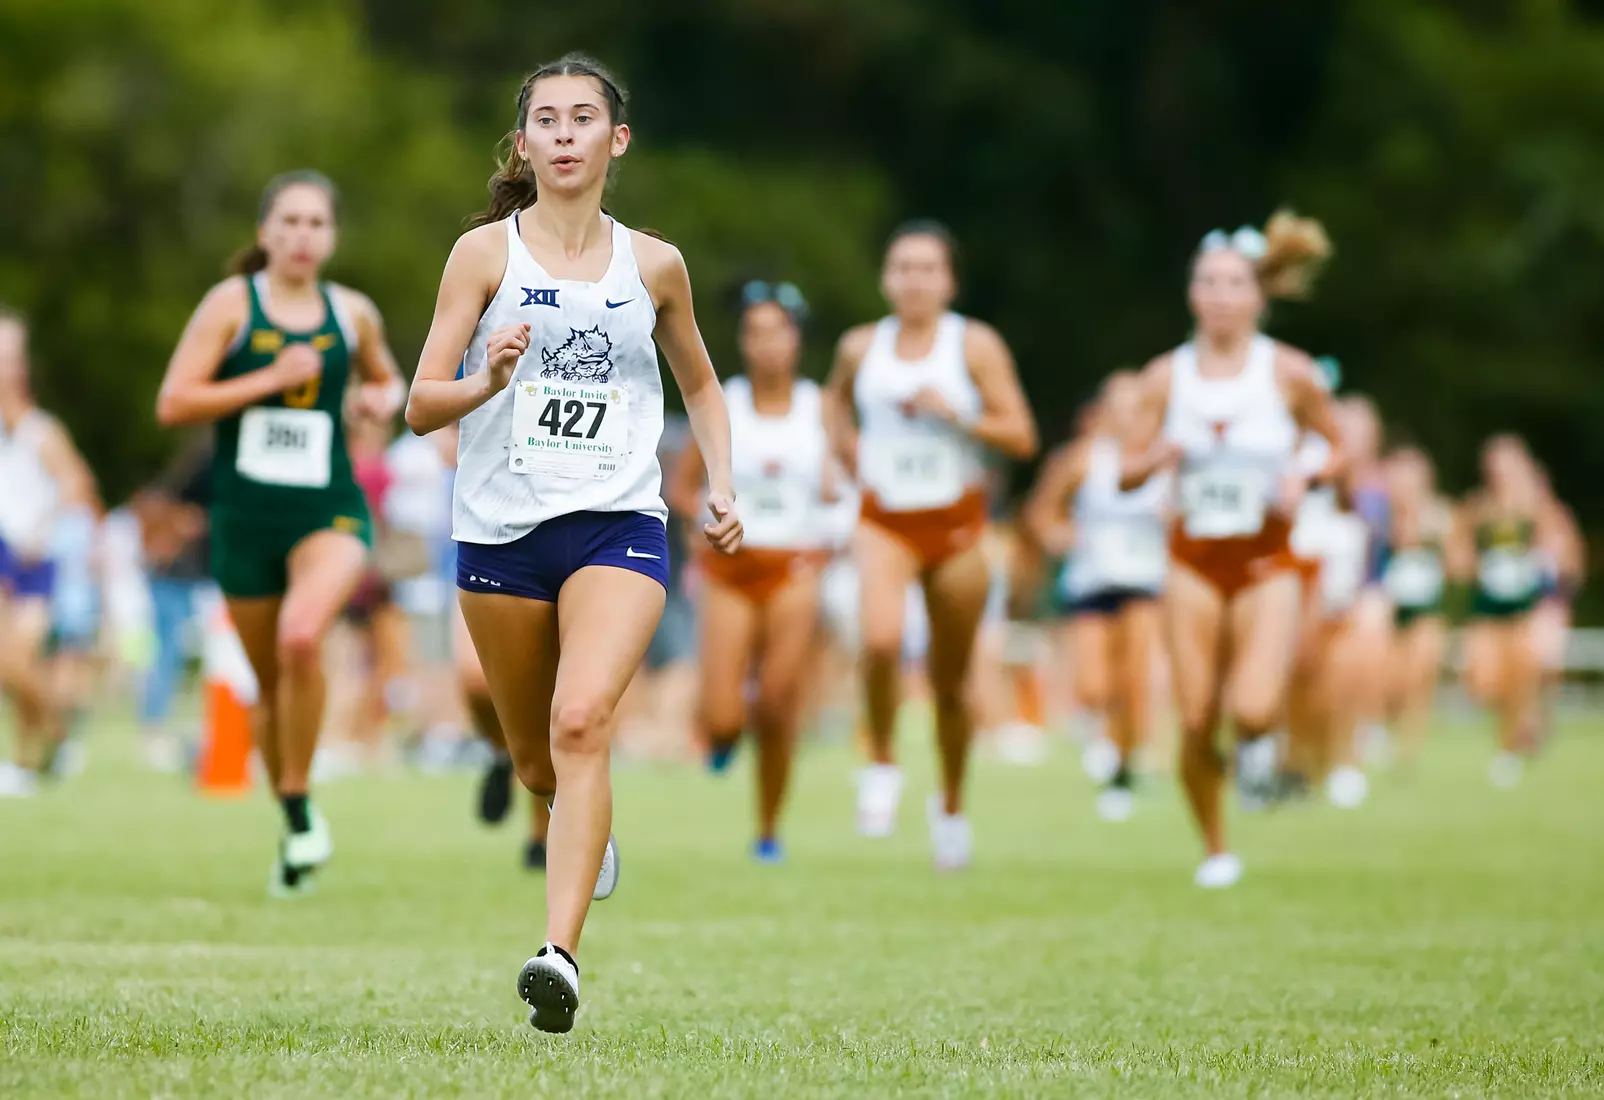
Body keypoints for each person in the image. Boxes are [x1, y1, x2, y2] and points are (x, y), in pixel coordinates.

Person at [403, 54, 741, 1034]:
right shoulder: (481, 257)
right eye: (543, 119)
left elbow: (704, 388)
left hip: (617, 519)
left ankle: (557, 955)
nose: (561, 133)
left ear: (613, 140)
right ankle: (574, 819)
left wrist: (722, 484)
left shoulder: (655, 265)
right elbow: (423, 404)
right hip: (500, 527)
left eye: (580, 117)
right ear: (522, 143)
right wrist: (486, 379)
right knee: (535, 757)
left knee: (583, 715)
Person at [155, 170, 405, 894]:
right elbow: (175, 401)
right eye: (289, 223)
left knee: (303, 635)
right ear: (265, 233)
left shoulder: (351, 312)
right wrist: (268, 379)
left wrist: (371, 399)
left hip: (327, 510)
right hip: (244, 521)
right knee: (269, 686)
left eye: (316, 224)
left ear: (332, 236)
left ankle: (298, 805)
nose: (302, 236)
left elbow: (388, 383)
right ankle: (297, 816)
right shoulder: (232, 305)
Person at [1123, 213, 1342, 888]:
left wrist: (1303, 474)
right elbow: (1126, 471)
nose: (1220, 295)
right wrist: (1159, 456)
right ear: (1192, 293)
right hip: (1191, 557)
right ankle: (1216, 847)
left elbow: (1335, 448)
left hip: (1266, 558)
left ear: (1259, 295)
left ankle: (1258, 750)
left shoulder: (1291, 373)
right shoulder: (1166, 376)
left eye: (1233, 283)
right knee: (1193, 718)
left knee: (1249, 707)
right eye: (1207, 282)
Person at [824, 220, 1037, 869]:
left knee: (951, 684)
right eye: (902, 268)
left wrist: (960, 414)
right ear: (886, 277)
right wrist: (852, 456)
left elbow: (1021, 435)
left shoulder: (972, 345)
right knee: (882, 640)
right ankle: (882, 763)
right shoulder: (863, 346)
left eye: (927, 269)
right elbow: (832, 406)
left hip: (957, 525)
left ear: (949, 280)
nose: (913, 281)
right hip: (884, 520)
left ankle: (949, 801)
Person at [668, 279, 831, 862]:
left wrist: (834, 526)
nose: (765, 345)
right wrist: (710, 514)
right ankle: (720, 736)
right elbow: (682, 488)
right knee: (723, 716)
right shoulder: (724, 402)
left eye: (777, 333)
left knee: (780, 702)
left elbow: (854, 483)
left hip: (794, 566)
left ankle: (768, 828)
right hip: (730, 569)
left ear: (796, 340)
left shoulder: (822, 408)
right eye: (754, 333)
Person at [1025, 371, 1169, 821]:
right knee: (1093, 684)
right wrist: (1059, 537)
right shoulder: (1084, 460)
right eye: (1119, 407)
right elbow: (1042, 512)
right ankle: (1103, 738)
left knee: (1134, 679)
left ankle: (1122, 766)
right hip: (1092, 581)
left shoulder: (1164, 459)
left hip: (1146, 581)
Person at [0, 307, 97, 797]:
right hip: (1, 554)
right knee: (5, 664)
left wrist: (44, 528)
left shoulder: (41, 430)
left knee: (17, 660)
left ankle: (44, 743)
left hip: (34, 559)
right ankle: (41, 747)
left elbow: (77, 483)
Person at [1450, 435, 1562, 787]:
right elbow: (1459, 553)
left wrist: (1551, 601)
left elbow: (1557, 550)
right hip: (1486, 608)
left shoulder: (1537, 507)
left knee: (1522, 677)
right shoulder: (1477, 507)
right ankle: (1523, 726)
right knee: (1483, 680)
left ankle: (1511, 746)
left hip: (1525, 609)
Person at [1380, 445, 1452, 771]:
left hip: (1427, 610)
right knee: (1391, 681)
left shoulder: (1440, 514)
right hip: (1389, 611)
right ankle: (1383, 732)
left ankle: (1407, 751)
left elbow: (1458, 562)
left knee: (1419, 679)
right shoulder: (1381, 514)